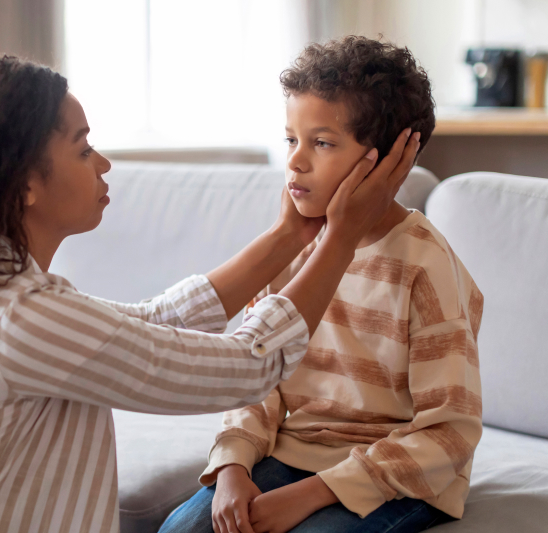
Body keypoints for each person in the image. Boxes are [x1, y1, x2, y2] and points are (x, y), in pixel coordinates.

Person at [0, 55, 418, 532]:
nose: (104, 162)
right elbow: (247, 366)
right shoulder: (17, 317)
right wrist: (339, 238)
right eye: (83, 148)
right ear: (24, 183)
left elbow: (152, 322)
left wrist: (290, 234)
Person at [160, 36, 483, 533]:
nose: (295, 161)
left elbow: (450, 433)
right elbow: (256, 381)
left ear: (390, 159)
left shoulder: (425, 265)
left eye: (322, 143)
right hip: (294, 454)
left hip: (399, 478)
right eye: (292, 139)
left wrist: (311, 495)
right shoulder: (292, 252)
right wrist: (232, 466)